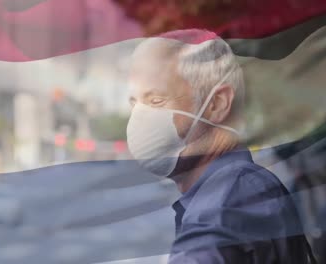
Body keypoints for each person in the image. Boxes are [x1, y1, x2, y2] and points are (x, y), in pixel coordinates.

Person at [126, 29, 316, 263]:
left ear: (217, 104)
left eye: (156, 101)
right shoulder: (232, 191)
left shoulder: (228, 201)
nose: (138, 118)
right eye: (134, 104)